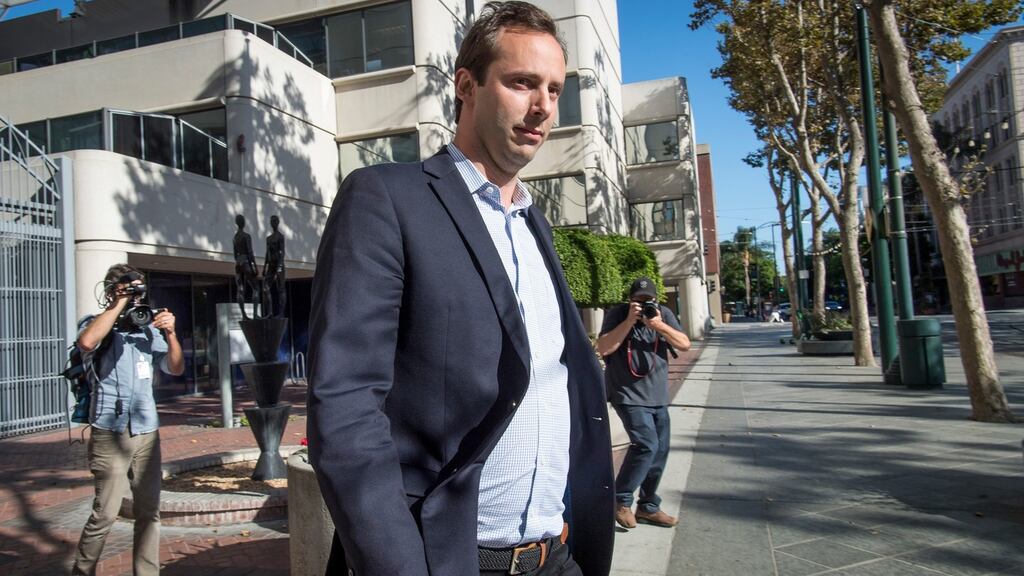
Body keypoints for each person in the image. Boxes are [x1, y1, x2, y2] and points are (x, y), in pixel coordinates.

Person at [307, 2, 614, 575]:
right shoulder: (385, 198)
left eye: (554, 88)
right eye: (522, 82)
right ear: (467, 86)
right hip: (451, 560)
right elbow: (345, 409)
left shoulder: (534, 221)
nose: (543, 105)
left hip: (557, 554)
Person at [71, 264, 185, 576]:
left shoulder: (147, 327)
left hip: (147, 431)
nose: (136, 297)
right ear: (111, 291)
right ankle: (82, 571)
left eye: (139, 291)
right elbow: (86, 342)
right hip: (111, 431)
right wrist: (119, 302)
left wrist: (171, 333)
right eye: (129, 289)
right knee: (105, 513)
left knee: (149, 511)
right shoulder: (96, 324)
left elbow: (175, 368)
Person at [596, 277, 691, 530]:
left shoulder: (662, 314)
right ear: (630, 300)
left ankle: (648, 506)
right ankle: (621, 499)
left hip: (657, 395)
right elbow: (603, 348)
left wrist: (658, 324)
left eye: (647, 300)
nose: (643, 305)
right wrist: (629, 321)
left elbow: (684, 344)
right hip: (626, 393)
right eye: (638, 301)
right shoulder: (617, 314)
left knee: (659, 451)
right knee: (646, 445)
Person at [232, 214, 259, 318]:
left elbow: (235, 255)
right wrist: (254, 266)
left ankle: (243, 315)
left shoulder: (235, 237)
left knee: (240, 289)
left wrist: (239, 261)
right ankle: (255, 314)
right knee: (256, 288)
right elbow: (250, 252)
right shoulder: (246, 236)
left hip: (238, 263)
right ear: (243, 223)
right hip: (246, 262)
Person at [263, 215, 286, 317]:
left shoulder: (280, 237)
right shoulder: (268, 238)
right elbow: (267, 253)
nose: (273, 223)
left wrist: (280, 266)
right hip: (271, 265)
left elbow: (282, 252)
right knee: (265, 287)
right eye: (272, 221)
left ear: (278, 223)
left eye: (275, 221)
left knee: (281, 288)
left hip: (278, 264)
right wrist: (264, 267)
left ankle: (281, 313)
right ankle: (270, 312)